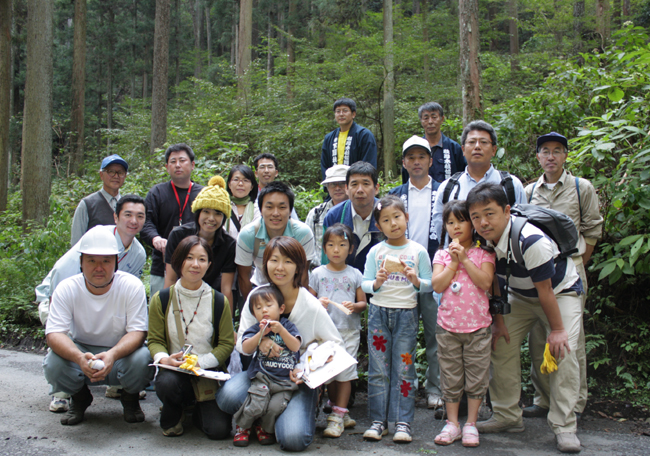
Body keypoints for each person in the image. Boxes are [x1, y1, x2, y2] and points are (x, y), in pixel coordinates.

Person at [468, 182, 584, 454]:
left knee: (562, 350)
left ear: (507, 211)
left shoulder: (531, 240)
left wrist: (556, 330)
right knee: (500, 344)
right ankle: (507, 416)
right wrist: (498, 323)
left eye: (489, 213)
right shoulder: (483, 239)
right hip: (519, 296)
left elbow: (545, 291)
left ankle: (564, 426)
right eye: (476, 216)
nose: (483, 222)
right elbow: (495, 281)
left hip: (559, 293)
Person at [217, 236, 344, 451]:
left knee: (294, 439)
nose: (280, 267)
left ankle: (284, 410)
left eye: (288, 261)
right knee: (227, 398)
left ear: (298, 267)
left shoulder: (310, 306)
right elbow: (241, 343)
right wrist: (262, 340)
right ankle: (264, 412)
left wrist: (303, 365)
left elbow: (335, 343)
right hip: (262, 375)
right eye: (274, 260)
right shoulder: (257, 298)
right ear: (265, 263)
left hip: (296, 382)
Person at [36, 195, 147, 412]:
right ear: (81, 262)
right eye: (91, 261)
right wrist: (78, 356)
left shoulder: (134, 274)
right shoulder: (68, 284)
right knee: (54, 361)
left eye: (106, 261)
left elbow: (137, 330)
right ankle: (77, 396)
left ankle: (129, 397)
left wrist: (113, 354)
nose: (99, 267)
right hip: (80, 345)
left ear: (116, 262)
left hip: (117, 349)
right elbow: (55, 332)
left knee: (143, 358)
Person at [523, 132, 603, 420]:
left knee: (570, 338)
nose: (551, 156)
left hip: (571, 270)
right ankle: (543, 399)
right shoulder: (530, 191)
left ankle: (574, 403)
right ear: (538, 157)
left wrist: (579, 261)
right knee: (538, 335)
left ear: (565, 155)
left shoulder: (582, 188)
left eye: (557, 151)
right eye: (545, 151)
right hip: (538, 272)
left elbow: (593, 229)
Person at [361, 195, 433, 444]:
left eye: (397, 217)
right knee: (378, 369)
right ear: (378, 226)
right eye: (386, 220)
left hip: (407, 315)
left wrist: (415, 280)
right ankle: (378, 421)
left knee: (404, 368)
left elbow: (429, 285)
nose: (393, 223)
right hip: (379, 313)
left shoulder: (418, 251)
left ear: (407, 218)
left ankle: (403, 422)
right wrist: (377, 283)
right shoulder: (376, 251)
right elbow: (365, 284)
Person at [148, 235, 234, 439]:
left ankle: (196, 409)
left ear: (209, 265)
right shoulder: (162, 299)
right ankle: (173, 412)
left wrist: (201, 363)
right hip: (175, 370)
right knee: (167, 383)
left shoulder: (218, 301)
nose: (195, 264)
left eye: (202, 259)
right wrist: (164, 358)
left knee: (219, 431)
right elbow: (155, 340)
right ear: (179, 261)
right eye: (189, 258)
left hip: (206, 373)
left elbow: (226, 343)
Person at [431, 200, 495, 447]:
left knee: (477, 377)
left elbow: (485, 283)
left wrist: (466, 259)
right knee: (450, 376)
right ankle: (452, 424)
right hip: (447, 326)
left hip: (478, 327)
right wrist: (454, 262)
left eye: (461, 220)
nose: (455, 227)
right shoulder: (442, 255)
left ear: (472, 223)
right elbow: (437, 285)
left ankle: (471, 424)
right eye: (450, 222)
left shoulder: (484, 254)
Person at [389, 136, 443, 409]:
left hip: (435, 274)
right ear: (404, 163)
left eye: (422, 156)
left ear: (431, 161)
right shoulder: (395, 196)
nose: (417, 162)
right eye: (411, 157)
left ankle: (435, 387)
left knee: (435, 334)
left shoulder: (444, 192)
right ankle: (406, 384)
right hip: (403, 276)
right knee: (404, 336)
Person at [309, 223, 366, 438]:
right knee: (330, 374)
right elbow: (309, 301)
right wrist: (318, 302)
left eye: (342, 245)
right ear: (324, 248)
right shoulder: (317, 273)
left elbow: (363, 303)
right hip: (324, 333)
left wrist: (355, 306)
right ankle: (339, 409)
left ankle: (337, 416)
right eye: (331, 245)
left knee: (345, 373)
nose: (336, 249)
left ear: (350, 249)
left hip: (348, 331)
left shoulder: (355, 274)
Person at [432, 120, 526, 242]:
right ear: (463, 150)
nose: (477, 146)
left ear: (494, 150)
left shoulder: (511, 184)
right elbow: (442, 230)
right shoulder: (448, 188)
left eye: (483, 142)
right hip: (459, 258)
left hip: (503, 258)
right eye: (471, 142)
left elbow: (522, 225)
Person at [233, 286, 302, 446]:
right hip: (262, 378)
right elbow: (245, 348)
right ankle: (243, 427)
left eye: (269, 305)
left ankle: (263, 428)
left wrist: (282, 331)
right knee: (256, 404)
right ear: (254, 314)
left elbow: (296, 346)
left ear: (281, 308)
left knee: (275, 408)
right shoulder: (255, 329)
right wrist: (261, 335)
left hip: (285, 382)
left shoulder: (289, 326)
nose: (264, 310)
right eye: (258, 308)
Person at [164, 176, 236, 313]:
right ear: (198, 213)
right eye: (206, 211)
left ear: (224, 217)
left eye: (218, 213)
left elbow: (226, 288)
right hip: (180, 295)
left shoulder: (228, 244)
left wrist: (229, 323)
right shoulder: (178, 236)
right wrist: (166, 311)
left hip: (210, 300)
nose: (211, 218)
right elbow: (170, 278)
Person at [141, 144, 203, 297]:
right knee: (162, 310)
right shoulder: (156, 193)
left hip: (196, 265)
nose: (178, 165)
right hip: (161, 266)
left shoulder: (203, 194)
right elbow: (145, 222)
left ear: (192, 165)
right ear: (166, 167)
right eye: (173, 161)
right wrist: (155, 238)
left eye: (182, 160)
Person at [235, 181, 315, 301]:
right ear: (261, 210)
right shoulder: (248, 235)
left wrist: (299, 305)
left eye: (282, 207)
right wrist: (253, 307)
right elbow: (243, 276)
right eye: (269, 207)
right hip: (260, 288)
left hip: (292, 289)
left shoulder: (302, 233)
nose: (276, 213)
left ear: (290, 211)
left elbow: (303, 274)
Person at [322, 161, 383, 272]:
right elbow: (326, 259)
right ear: (346, 188)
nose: (360, 190)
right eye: (354, 184)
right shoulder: (334, 216)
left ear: (376, 188)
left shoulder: (386, 213)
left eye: (366, 184)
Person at [70, 154, 129, 246]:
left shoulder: (127, 205)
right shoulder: (87, 204)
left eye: (120, 172)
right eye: (111, 171)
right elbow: (76, 243)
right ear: (101, 175)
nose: (116, 176)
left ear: (125, 176)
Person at [401, 102, 465, 184]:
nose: (430, 122)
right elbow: (406, 179)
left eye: (434, 117)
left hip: (449, 195)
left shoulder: (454, 148)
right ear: (421, 120)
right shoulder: (414, 148)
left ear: (442, 119)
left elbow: (462, 175)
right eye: (426, 118)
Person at [320, 98, 378, 180]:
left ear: (353, 114)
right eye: (338, 111)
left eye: (345, 110)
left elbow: (368, 164)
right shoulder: (329, 138)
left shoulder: (364, 135)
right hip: (334, 185)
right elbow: (324, 165)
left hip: (355, 185)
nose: (341, 114)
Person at [305, 164, 349, 268]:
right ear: (327, 187)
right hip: (317, 271)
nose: (337, 188)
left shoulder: (357, 212)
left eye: (342, 184)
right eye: (333, 184)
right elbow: (305, 246)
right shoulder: (316, 213)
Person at [253, 153, 299, 220]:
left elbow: (294, 221)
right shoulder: (250, 195)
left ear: (276, 173)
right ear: (256, 173)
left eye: (270, 167)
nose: (266, 171)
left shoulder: (283, 194)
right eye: (262, 167)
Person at [225, 164, 260, 237]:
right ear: (229, 184)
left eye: (245, 180)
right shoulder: (222, 207)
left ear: (252, 186)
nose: (240, 183)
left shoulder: (258, 209)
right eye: (236, 179)